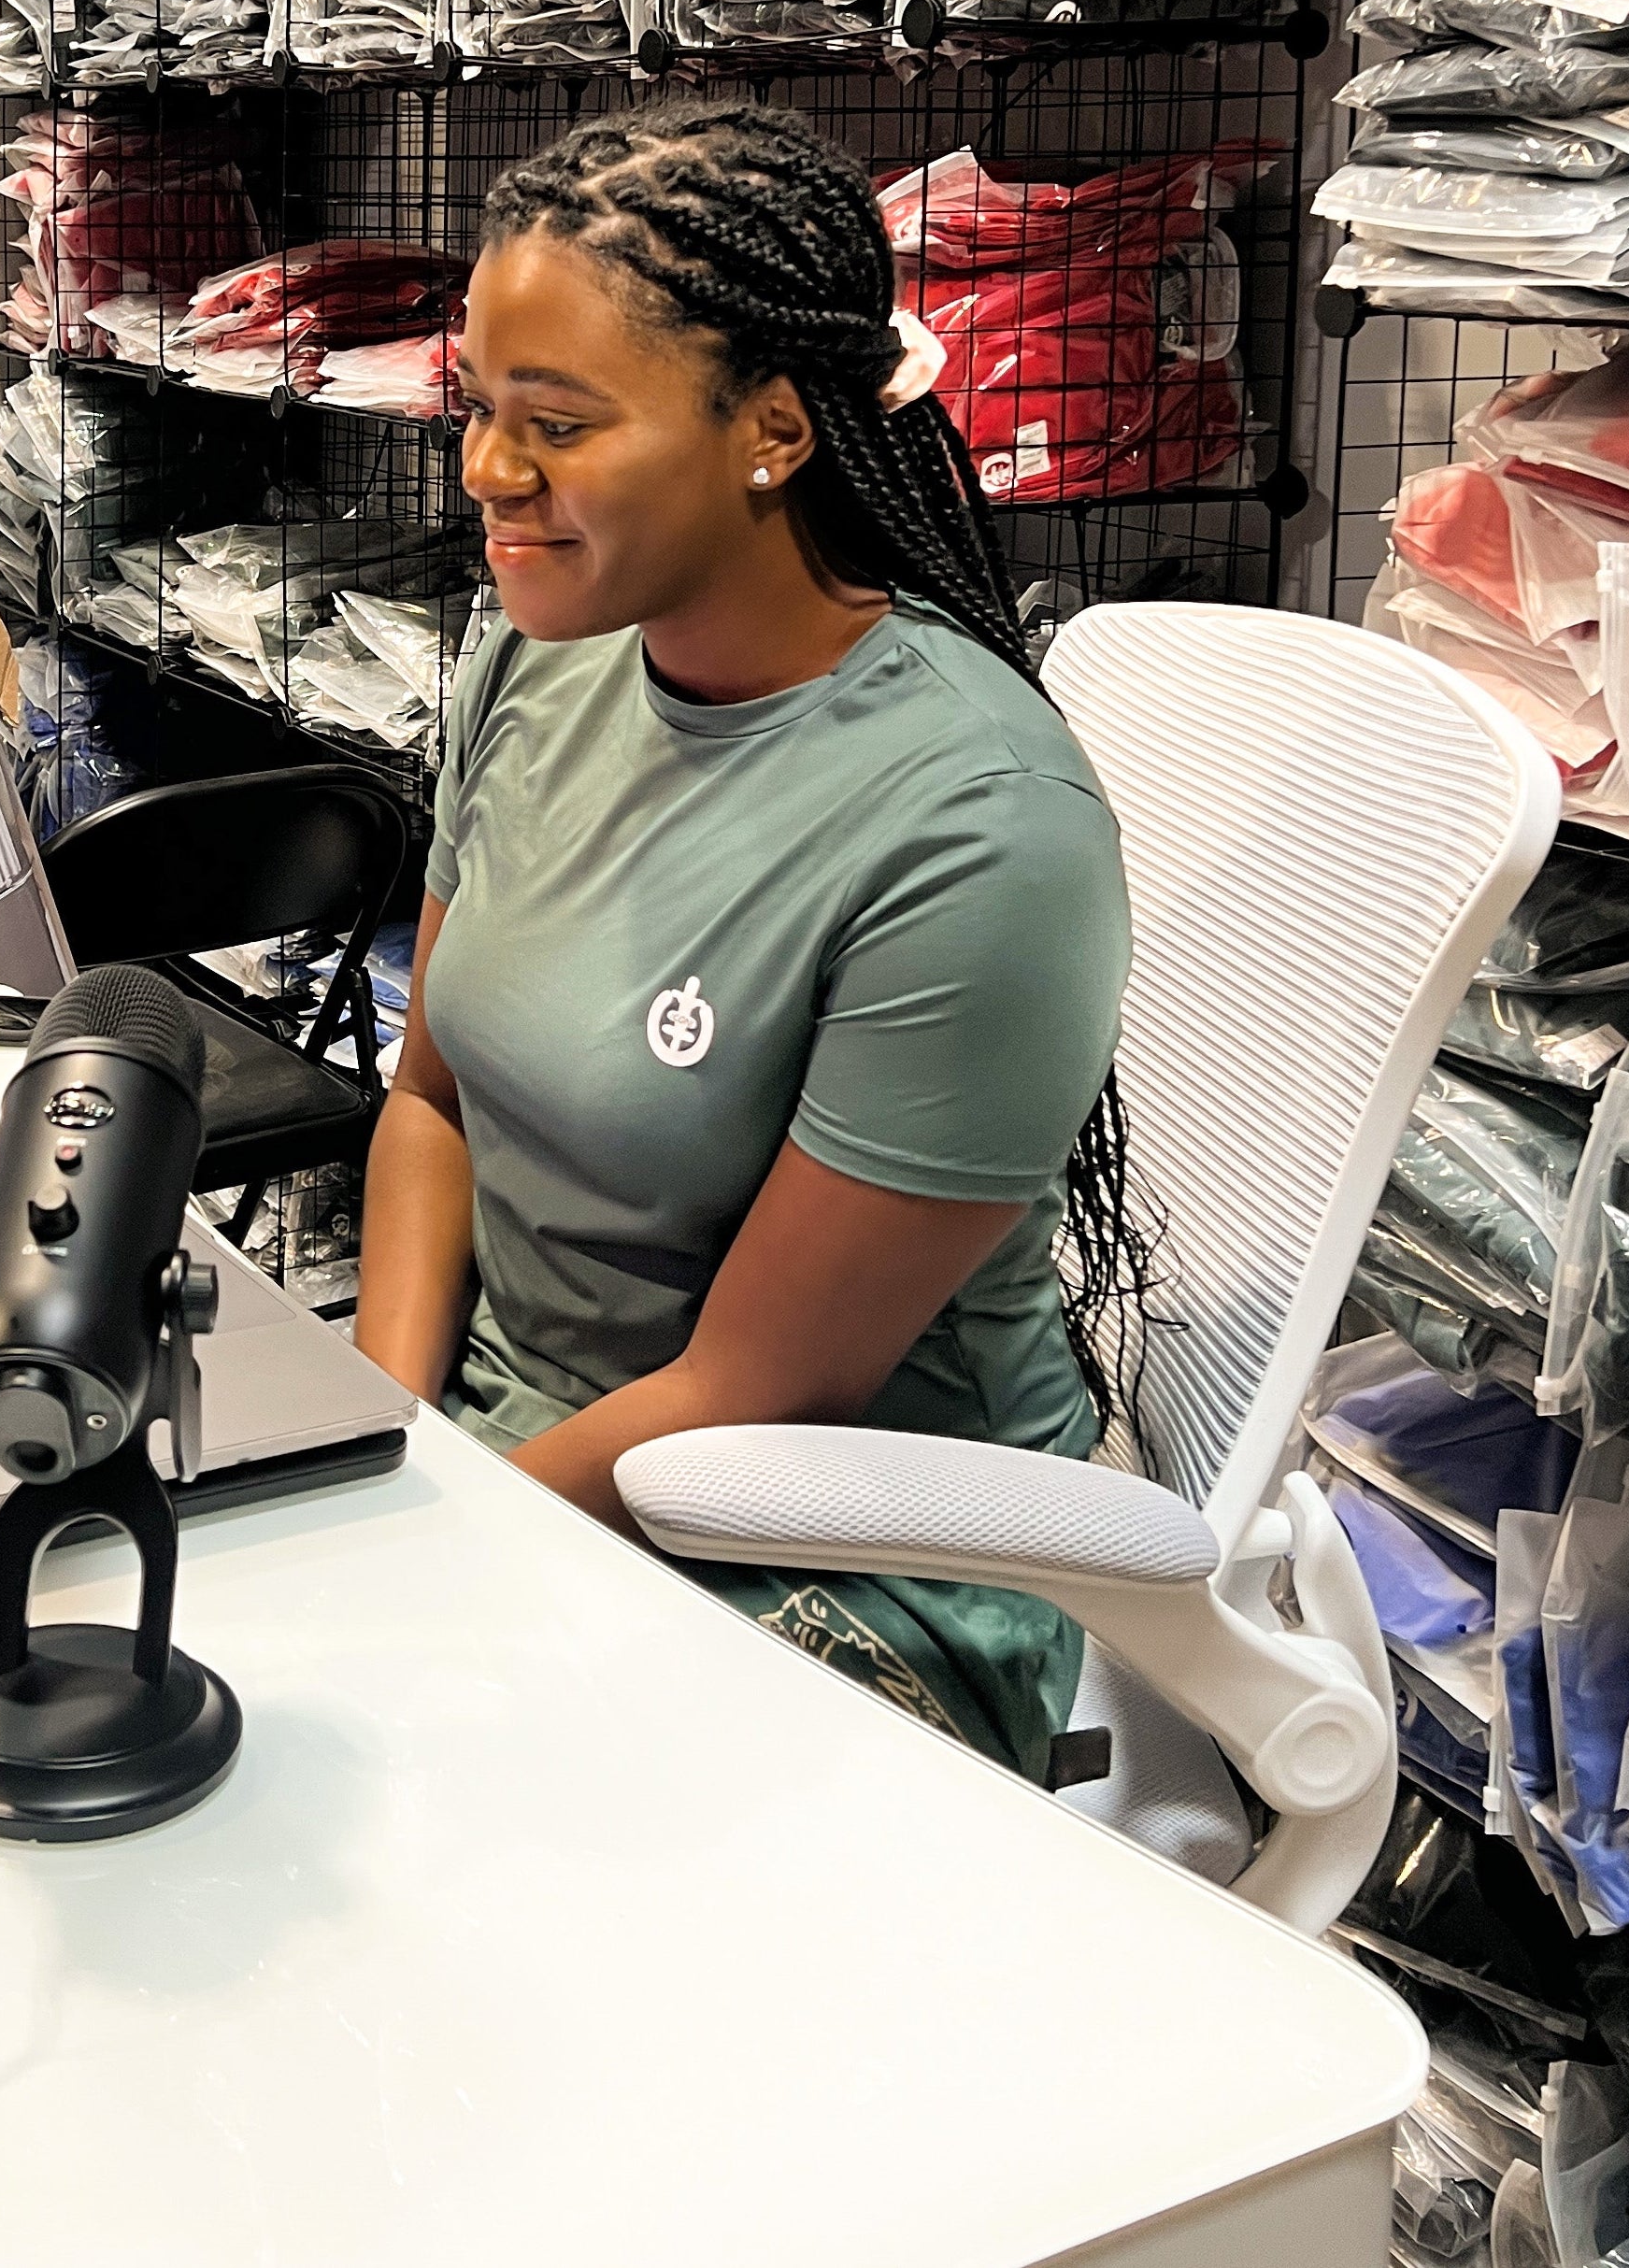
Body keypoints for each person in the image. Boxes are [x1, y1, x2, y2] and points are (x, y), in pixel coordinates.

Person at [353, 96, 1138, 1776]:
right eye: (480, 408)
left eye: (555, 422)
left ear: (772, 428)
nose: (489, 471)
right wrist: (377, 1442)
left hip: (840, 1541)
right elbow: (429, 1106)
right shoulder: (538, 659)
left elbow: (760, 1389)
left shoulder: (980, 828)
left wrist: (416, 1547)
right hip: (502, 1450)